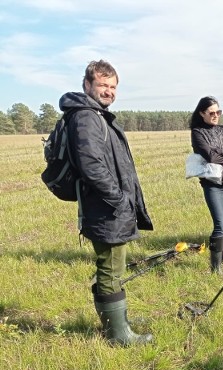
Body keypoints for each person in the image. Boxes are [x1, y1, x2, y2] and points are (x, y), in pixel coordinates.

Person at [60, 60, 153, 346]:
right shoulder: (87, 117)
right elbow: (91, 165)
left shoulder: (93, 114)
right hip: (105, 208)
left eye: (113, 86)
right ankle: (118, 335)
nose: (108, 91)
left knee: (111, 267)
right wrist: (119, 199)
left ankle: (116, 321)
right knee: (111, 267)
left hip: (105, 206)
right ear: (87, 85)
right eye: (103, 85)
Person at [190, 96, 223, 272]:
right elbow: (210, 157)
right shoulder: (197, 132)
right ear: (202, 113)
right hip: (212, 185)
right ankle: (215, 267)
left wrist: (220, 151)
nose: (215, 115)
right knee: (219, 225)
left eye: (218, 112)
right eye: (211, 113)